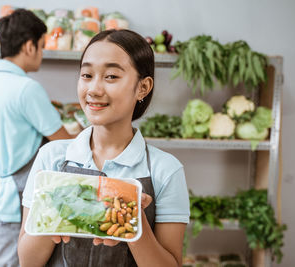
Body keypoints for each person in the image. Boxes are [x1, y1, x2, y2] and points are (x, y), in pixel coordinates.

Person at [18, 29, 190, 267]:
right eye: (87, 75)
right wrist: (54, 212)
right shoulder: (52, 157)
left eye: (111, 76)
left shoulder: (165, 169)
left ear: (143, 87)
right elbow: (28, 262)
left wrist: (132, 222)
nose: (94, 89)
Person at [0, 9, 73, 267]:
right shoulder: (27, 90)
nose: (42, 52)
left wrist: (2, 175)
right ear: (29, 46)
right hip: (12, 214)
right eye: (41, 46)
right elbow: (64, 146)